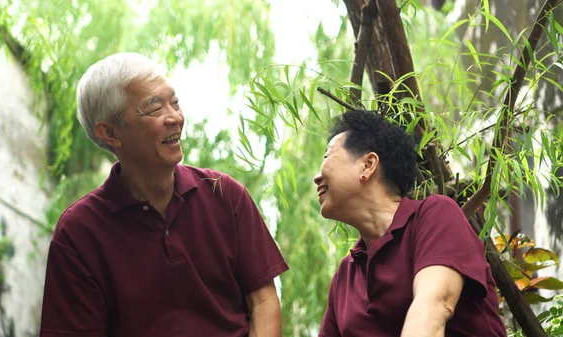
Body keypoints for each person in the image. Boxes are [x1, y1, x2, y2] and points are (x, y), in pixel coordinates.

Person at [39, 52, 289, 337]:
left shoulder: (224, 194)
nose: (175, 118)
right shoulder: (79, 232)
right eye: (154, 108)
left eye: (175, 102)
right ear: (110, 133)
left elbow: (263, 299)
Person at [313, 110, 507, 337]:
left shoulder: (436, 216)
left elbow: (433, 308)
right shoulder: (346, 276)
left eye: (327, 157)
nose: (317, 176)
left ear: (368, 165)